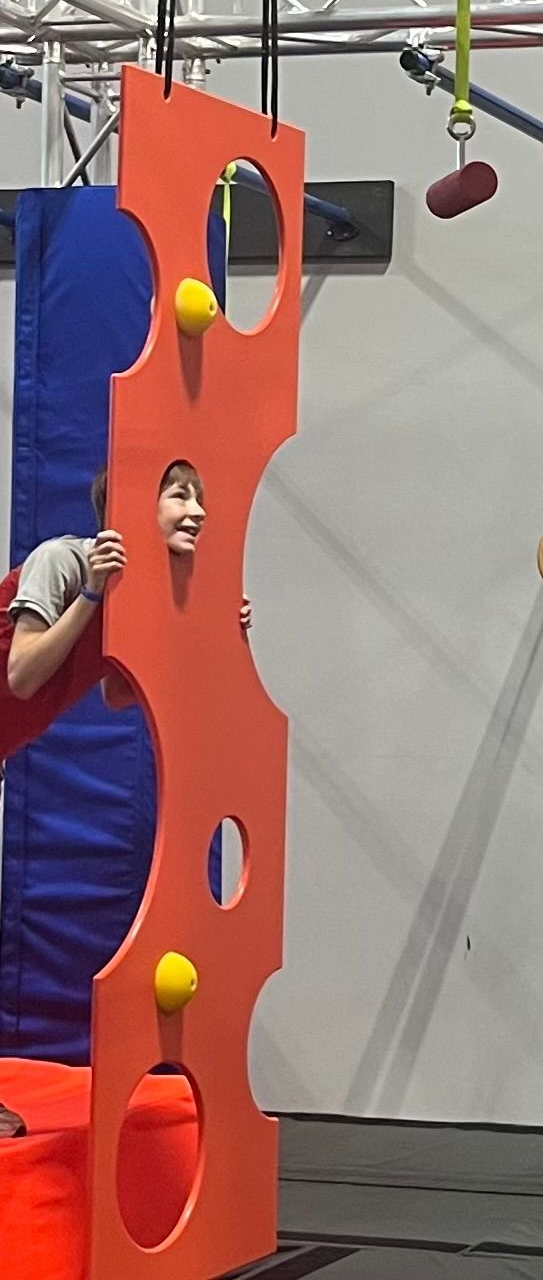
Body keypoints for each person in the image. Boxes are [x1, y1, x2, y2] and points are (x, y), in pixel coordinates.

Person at [0, 459, 249, 1139]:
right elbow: (22, 675)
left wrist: (213, 633)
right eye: (178, 495)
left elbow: (117, 690)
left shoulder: (134, 593)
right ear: (132, 504)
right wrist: (90, 599)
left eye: (201, 497)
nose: (196, 511)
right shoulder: (67, 560)